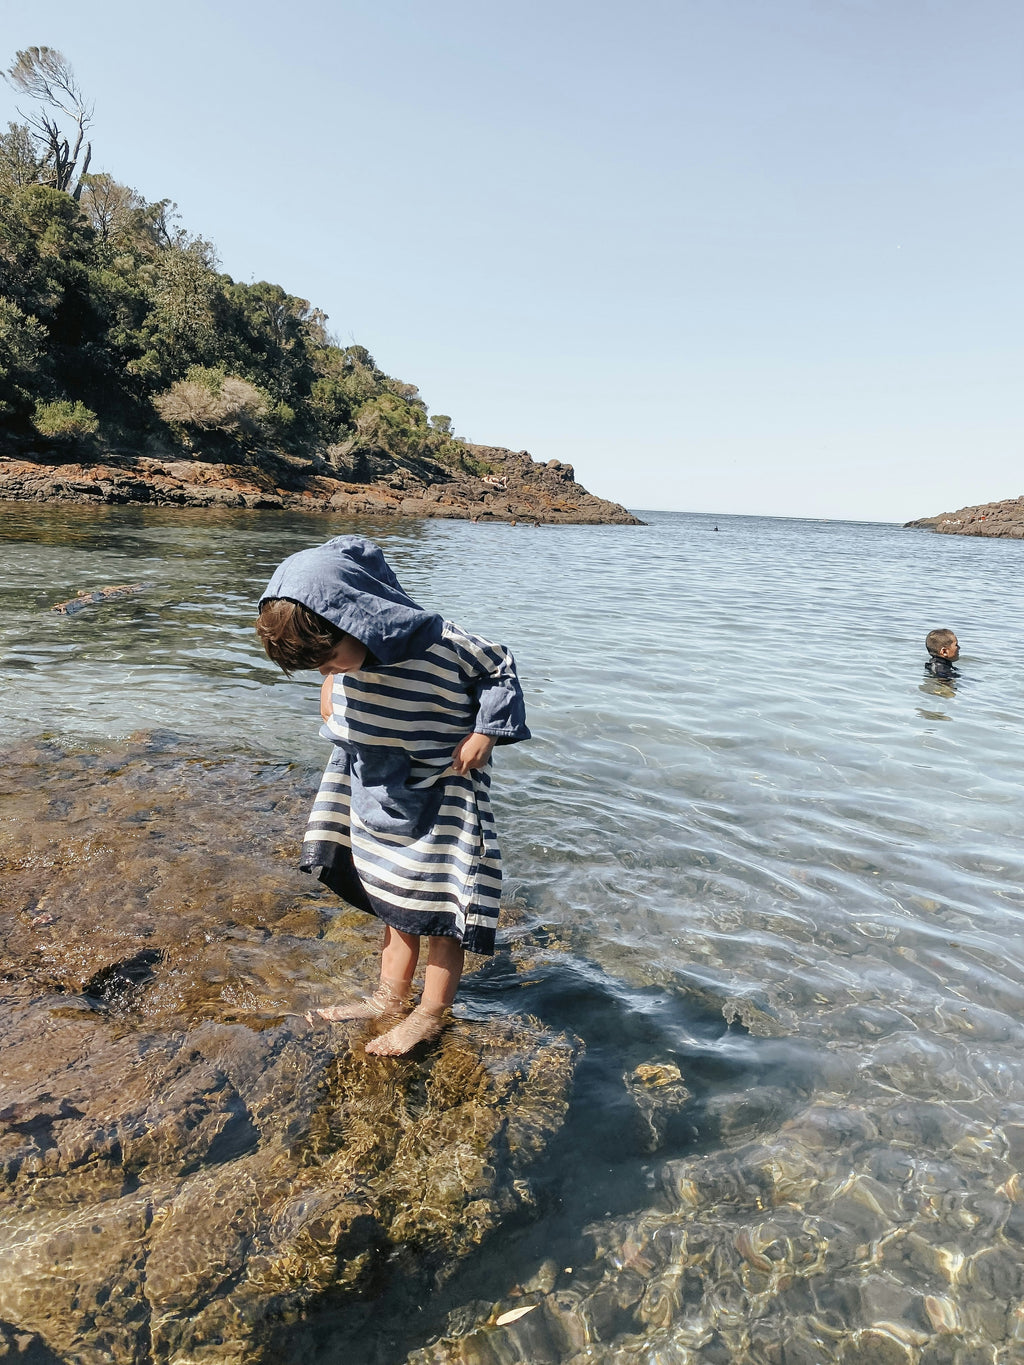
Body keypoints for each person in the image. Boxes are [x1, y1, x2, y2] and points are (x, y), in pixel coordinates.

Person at [255, 536, 530, 1056]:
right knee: (395, 902)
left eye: (330, 660)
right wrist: (330, 688)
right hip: (378, 788)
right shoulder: (342, 657)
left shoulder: (441, 643)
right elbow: (335, 679)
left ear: (357, 619)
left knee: (442, 910)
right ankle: (388, 999)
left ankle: (431, 1013)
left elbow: (499, 668)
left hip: (443, 789)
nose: (327, 671)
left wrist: (484, 733)